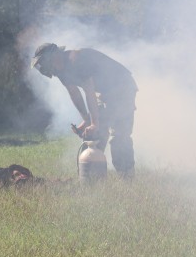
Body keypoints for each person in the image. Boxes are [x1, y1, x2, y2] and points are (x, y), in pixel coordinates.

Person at [31, 43, 138, 178]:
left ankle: (126, 178)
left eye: (43, 62)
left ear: (54, 56)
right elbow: (74, 93)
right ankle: (91, 178)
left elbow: (89, 91)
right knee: (95, 133)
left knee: (119, 135)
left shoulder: (77, 60)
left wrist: (94, 122)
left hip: (123, 88)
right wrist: (87, 119)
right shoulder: (60, 70)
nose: (45, 68)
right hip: (105, 92)